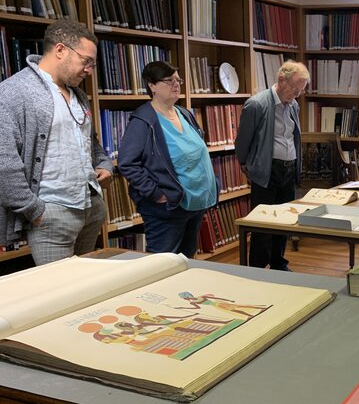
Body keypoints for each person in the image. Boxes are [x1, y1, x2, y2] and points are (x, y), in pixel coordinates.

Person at [0, 20, 112, 265]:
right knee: (63, 294)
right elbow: (4, 161)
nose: (90, 71)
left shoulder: (77, 94)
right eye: (87, 62)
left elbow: (88, 142)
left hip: (90, 207)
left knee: (87, 288)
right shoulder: (13, 93)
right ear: (61, 50)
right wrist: (34, 211)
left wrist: (104, 163)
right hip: (52, 215)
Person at [118, 61, 218, 258]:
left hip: (195, 202)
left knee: (186, 260)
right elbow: (127, 163)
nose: (176, 84)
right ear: (152, 86)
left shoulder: (184, 113)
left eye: (178, 79)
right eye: (169, 80)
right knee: (162, 262)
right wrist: (156, 193)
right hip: (168, 207)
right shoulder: (143, 121)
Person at [235, 60, 309, 270]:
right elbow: (242, 142)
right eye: (295, 88)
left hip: (288, 169)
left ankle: (278, 262)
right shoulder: (256, 105)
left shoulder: (293, 104)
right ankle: (257, 267)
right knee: (263, 222)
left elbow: (292, 137)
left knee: (284, 220)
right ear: (281, 80)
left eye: (300, 90)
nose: (297, 94)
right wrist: (247, 164)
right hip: (266, 171)